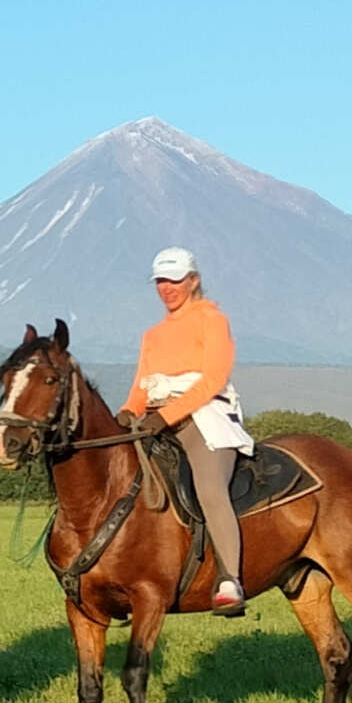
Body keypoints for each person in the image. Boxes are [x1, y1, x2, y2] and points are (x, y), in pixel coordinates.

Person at [118, 247, 256, 616]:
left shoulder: (213, 320)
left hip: (204, 417)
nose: (167, 288)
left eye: (174, 280)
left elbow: (212, 379)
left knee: (209, 488)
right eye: (161, 281)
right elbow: (140, 385)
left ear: (193, 280)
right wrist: (128, 412)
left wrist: (169, 416)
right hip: (154, 419)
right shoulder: (152, 335)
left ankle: (230, 579)